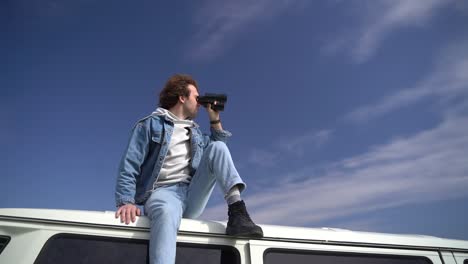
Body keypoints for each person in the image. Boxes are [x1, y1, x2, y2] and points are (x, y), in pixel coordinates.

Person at [115, 74, 263, 264]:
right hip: (162, 193)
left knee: (218, 147)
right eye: (196, 97)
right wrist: (126, 201)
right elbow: (130, 164)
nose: (199, 104)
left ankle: (237, 211)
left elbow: (219, 149)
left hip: (192, 192)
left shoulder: (197, 134)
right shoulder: (149, 125)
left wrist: (214, 119)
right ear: (182, 97)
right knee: (167, 213)